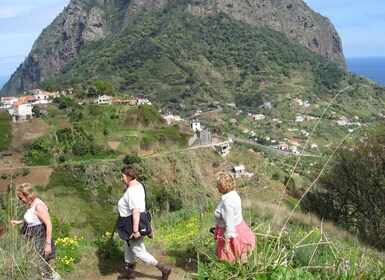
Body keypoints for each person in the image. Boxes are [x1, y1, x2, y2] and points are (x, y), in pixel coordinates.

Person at [117, 165, 172, 280]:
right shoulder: (139, 185)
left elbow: (136, 210)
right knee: (128, 246)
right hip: (130, 222)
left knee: (139, 251)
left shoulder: (131, 191)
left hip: (132, 223)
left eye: (122, 176)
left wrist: (135, 230)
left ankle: (164, 269)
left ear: (129, 176)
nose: (121, 179)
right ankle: (129, 272)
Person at [9, 183, 58, 279]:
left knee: (44, 266)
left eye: (21, 197)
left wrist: (47, 244)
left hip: (42, 240)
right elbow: (33, 219)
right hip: (36, 240)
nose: (20, 200)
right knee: (42, 265)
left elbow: (49, 225)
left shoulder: (38, 206)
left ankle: (52, 278)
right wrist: (19, 222)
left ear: (28, 195)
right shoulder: (30, 204)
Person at [213, 172, 256, 262]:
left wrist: (227, 244)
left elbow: (230, 224)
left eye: (219, 185)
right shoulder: (234, 194)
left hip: (230, 233)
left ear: (224, 186)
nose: (217, 187)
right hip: (239, 228)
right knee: (241, 257)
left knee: (229, 259)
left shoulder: (228, 202)